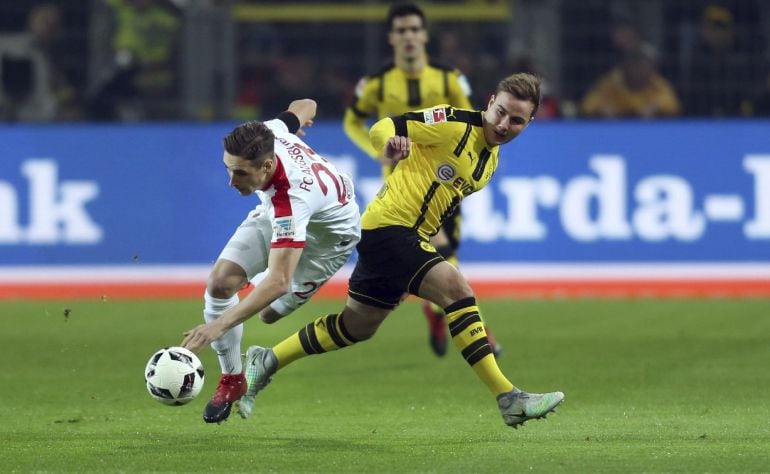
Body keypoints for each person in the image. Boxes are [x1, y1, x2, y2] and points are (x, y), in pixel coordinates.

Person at [187, 73, 564, 430]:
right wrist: (388, 146)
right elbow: (387, 124)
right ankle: (508, 397)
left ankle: (266, 360)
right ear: (490, 101)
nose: (503, 124)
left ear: (528, 123)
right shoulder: (453, 123)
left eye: (516, 121)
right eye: (500, 112)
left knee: (358, 325)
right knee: (456, 289)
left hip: (401, 237)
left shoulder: (490, 158)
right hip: (387, 229)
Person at [181, 98, 361, 423]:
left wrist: (216, 327)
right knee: (221, 284)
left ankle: (258, 359)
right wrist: (301, 122)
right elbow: (306, 104)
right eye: (228, 169)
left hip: (328, 242)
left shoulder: (291, 199)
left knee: (266, 312)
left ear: (266, 166)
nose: (231, 182)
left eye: (239, 173)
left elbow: (279, 282)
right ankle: (232, 379)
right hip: (278, 216)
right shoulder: (270, 133)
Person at [342, 2, 502, 359]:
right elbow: (353, 121)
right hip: (403, 186)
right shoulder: (376, 84)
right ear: (391, 38)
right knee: (439, 251)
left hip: (445, 182)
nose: (409, 37)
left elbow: (475, 120)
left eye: (415, 29)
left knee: (443, 254)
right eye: (402, 31)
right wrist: (376, 150)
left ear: (425, 35)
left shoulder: (448, 78)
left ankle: (437, 310)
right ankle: (468, 322)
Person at [580, 42, 681, 118]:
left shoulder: (658, 85)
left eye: (644, 64)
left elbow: (673, 106)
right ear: (626, 65)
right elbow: (588, 106)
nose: (639, 68)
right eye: (634, 62)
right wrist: (601, 110)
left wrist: (656, 108)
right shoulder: (610, 83)